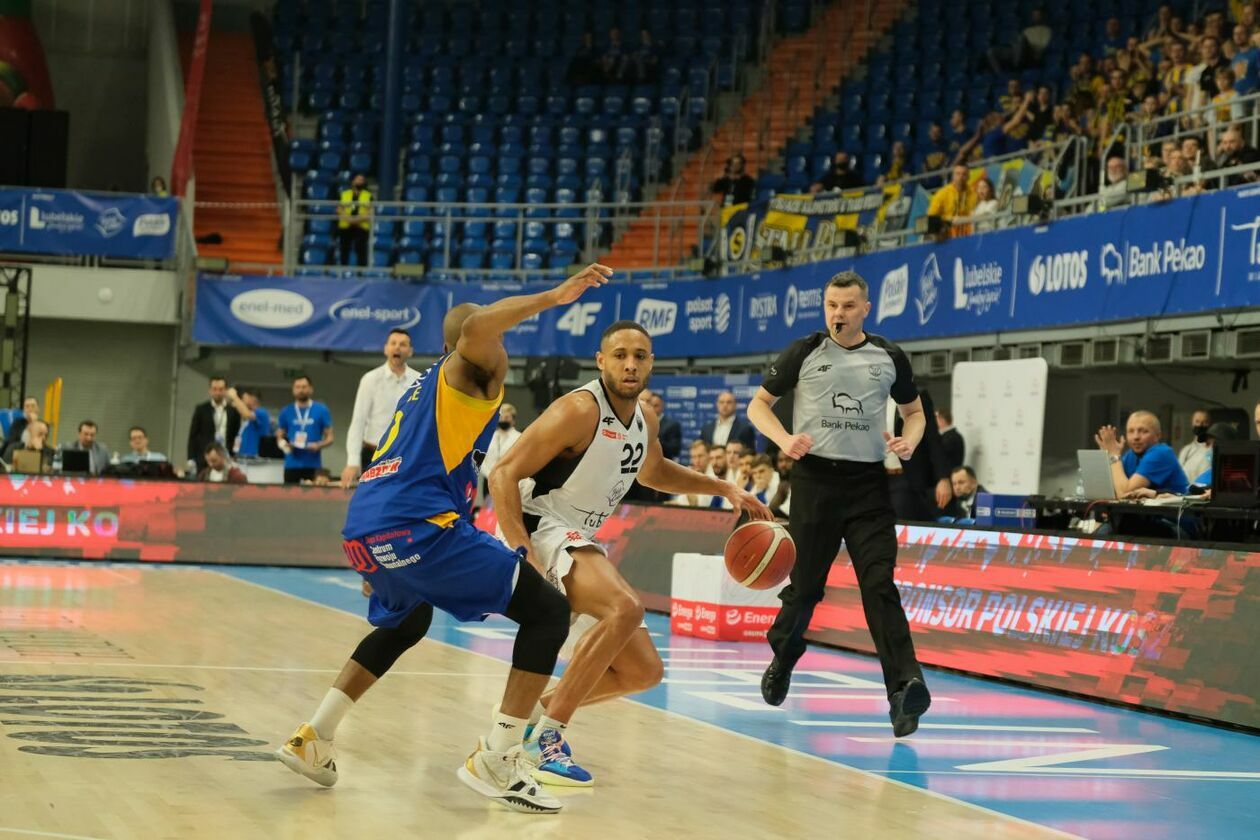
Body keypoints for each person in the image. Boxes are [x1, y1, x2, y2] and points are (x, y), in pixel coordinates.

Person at [275, 265, 612, 815]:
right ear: (469, 349)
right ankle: (498, 758)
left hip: (368, 523)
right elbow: (476, 328)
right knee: (548, 612)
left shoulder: (423, 390)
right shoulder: (470, 370)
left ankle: (315, 736)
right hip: (415, 523)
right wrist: (555, 295)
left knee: (409, 620)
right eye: (497, 344)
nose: (504, 354)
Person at [489, 319, 770, 786]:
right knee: (626, 607)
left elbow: (652, 473)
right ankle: (550, 738)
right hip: (543, 527)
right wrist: (524, 551)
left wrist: (723, 486)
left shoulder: (646, 419)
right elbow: (502, 473)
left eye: (640, 355)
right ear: (601, 361)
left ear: (651, 363)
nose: (630, 363)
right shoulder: (578, 410)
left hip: (578, 537)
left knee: (642, 670)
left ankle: (528, 724)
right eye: (620, 354)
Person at [748, 270, 930, 736]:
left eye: (848, 306)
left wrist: (909, 441)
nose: (838, 314)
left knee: (879, 584)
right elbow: (758, 406)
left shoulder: (888, 355)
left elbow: (914, 413)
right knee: (806, 587)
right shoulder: (805, 351)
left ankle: (904, 690)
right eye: (832, 305)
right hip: (815, 482)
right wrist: (784, 440)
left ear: (865, 309)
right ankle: (784, 656)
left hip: (868, 486)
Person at [341, 329, 422, 488]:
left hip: (405, 456)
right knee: (372, 506)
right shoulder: (370, 379)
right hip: (373, 455)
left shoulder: (419, 381)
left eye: (403, 344)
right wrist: (352, 460)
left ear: (410, 351)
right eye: (393, 343)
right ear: (386, 349)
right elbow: (358, 422)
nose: (397, 347)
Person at [1094, 410, 1189, 497]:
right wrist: (1105, 457)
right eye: (1131, 431)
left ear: (1158, 435)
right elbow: (1110, 491)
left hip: (1174, 514)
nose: (1136, 437)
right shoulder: (1130, 455)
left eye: (1143, 431)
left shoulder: (1162, 453)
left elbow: (1124, 495)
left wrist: (1113, 455)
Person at [276, 376, 334, 485]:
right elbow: (279, 436)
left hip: (313, 464)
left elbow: (330, 438)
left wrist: (318, 445)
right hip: (291, 464)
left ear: (310, 389)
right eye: (297, 387)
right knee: (289, 498)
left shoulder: (321, 410)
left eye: (304, 387)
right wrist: (284, 446)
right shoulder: (286, 411)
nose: (301, 390)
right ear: (293, 390)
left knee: (312, 499)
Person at [188, 377, 240, 472]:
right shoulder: (201, 409)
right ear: (210, 390)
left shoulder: (233, 411)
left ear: (225, 390)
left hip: (226, 457)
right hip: (205, 458)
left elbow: (236, 434)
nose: (217, 392)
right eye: (214, 389)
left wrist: (234, 455)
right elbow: (193, 435)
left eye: (221, 389)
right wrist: (190, 458)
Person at [479, 402, 522, 500]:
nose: (503, 419)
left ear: (513, 420)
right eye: (501, 417)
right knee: (489, 512)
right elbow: (482, 459)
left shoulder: (519, 437)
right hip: (489, 480)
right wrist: (490, 475)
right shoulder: (489, 437)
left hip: (509, 480)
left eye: (506, 417)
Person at [337, 173, 372, 267]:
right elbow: (340, 210)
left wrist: (356, 220)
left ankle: (361, 273)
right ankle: (343, 271)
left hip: (361, 226)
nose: (360, 182)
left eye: (362, 180)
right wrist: (349, 219)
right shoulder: (344, 194)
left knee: (361, 250)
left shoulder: (368, 195)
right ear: (353, 181)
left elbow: (369, 212)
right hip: (346, 225)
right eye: (358, 179)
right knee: (344, 249)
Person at [227, 386, 270, 459]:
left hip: (254, 458)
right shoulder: (241, 418)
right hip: (239, 456)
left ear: (253, 400)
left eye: (244, 399)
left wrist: (235, 397)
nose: (242, 402)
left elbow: (247, 414)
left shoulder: (262, 413)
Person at [645, 390, 682, 461]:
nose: (652, 409)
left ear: (662, 406)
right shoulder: (640, 423)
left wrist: (653, 439)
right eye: (650, 405)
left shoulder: (672, 425)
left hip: (663, 465)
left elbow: (675, 450)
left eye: (656, 406)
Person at [1177, 409, 1213, 482]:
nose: (1200, 425)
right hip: (1186, 492)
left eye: (1204, 422)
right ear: (1192, 424)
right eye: (1197, 422)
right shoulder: (1186, 450)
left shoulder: (1213, 450)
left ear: (1209, 425)